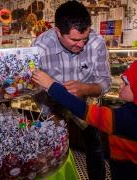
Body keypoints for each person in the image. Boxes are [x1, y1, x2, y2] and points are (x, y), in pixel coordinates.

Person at [32, 1, 111, 179]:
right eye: (75, 40)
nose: (81, 45)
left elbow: (105, 81)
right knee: (53, 148)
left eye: (84, 39)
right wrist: (52, 113)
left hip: (85, 101)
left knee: (95, 145)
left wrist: (85, 88)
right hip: (52, 104)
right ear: (58, 32)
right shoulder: (40, 46)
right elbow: (33, 85)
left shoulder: (97, 43)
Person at [32, 61, 137, 180]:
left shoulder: (127, 118)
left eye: (127, 83)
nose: (120, 85)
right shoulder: (129, 110)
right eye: (122, 79)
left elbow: (83, 109)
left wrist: (51, 85)